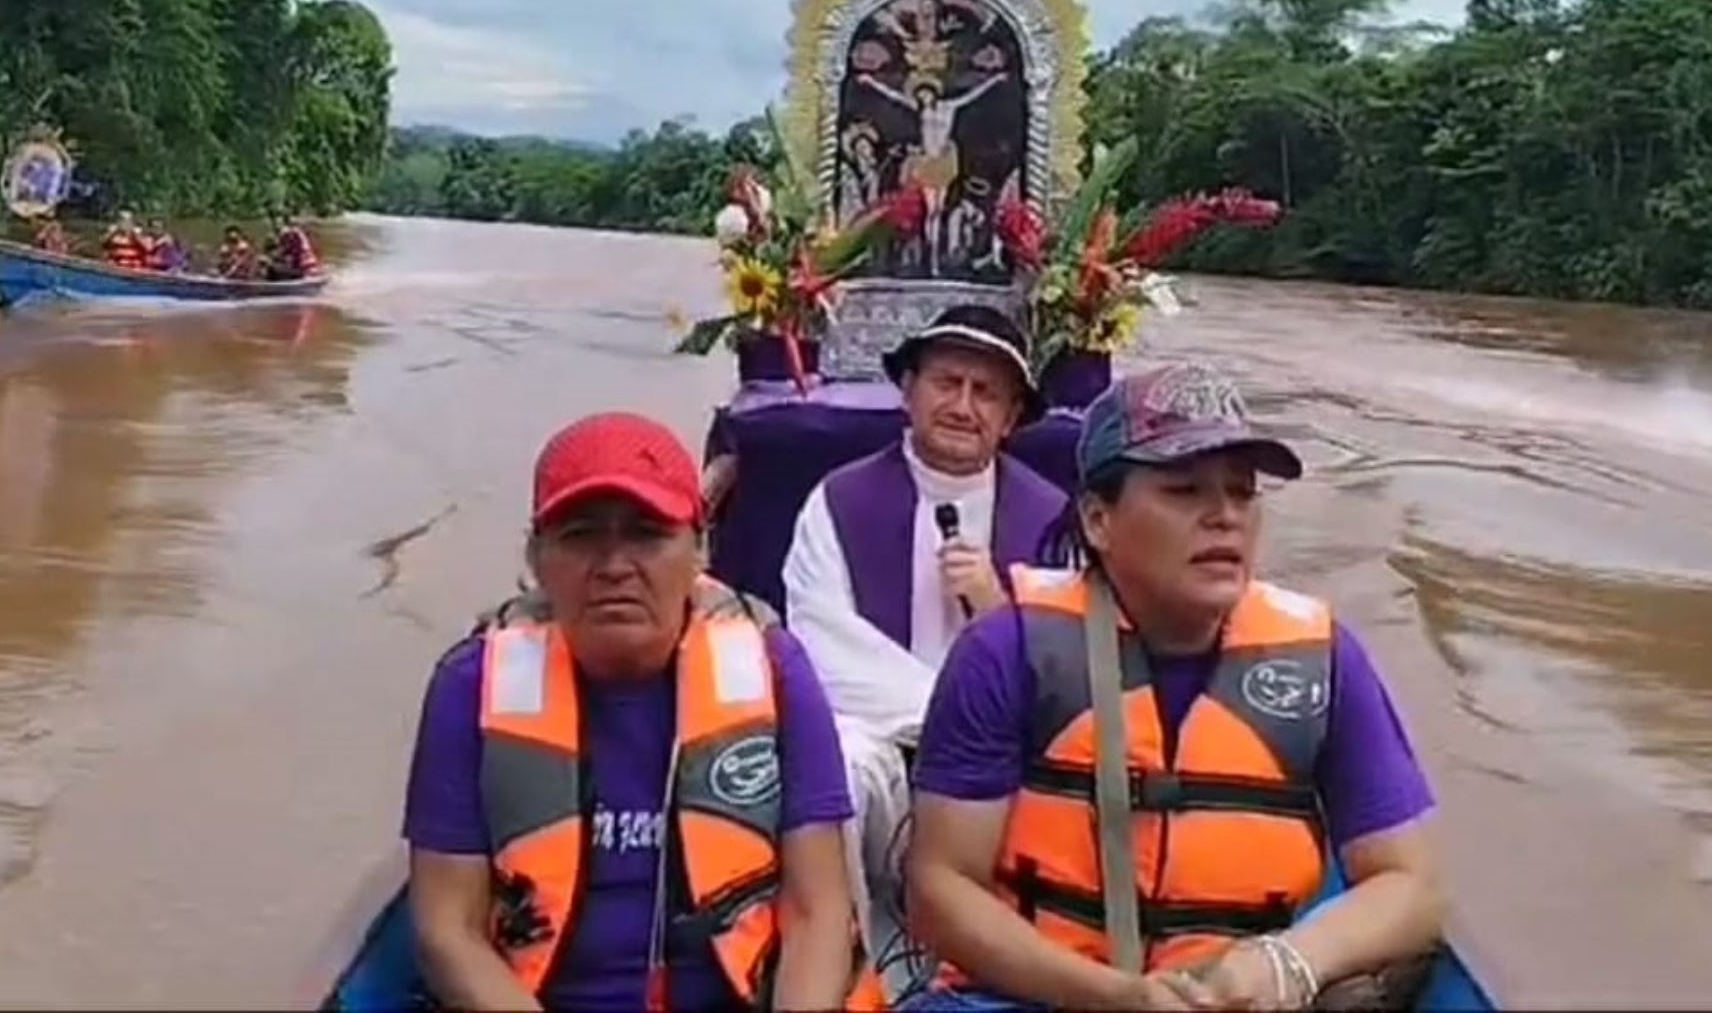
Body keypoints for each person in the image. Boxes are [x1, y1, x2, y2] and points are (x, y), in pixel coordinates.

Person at [905, 361, 1445, 1010]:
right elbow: (939, 889)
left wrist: (1286, 963)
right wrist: (1116, 996)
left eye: (1242, 493)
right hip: (1029, 997)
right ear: (1099, 520)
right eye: (1186, 491)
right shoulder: (1005, 650)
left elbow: (1410, 889)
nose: (1224, 517)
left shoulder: (1326, 661)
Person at [402, 411, 881, 1011]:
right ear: (536, 558)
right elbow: (449, 933)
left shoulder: (776, 669)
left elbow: (819, 913)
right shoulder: (467, 687)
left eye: (647, 534)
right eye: (580, 535)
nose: (614, 566)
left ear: (700, 548)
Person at [783, 305, 1065, 954]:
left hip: (1006, 758)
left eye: (986, 392)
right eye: (947, 383)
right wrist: (945, 714)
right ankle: (849, 952)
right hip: (881, 742)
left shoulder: (1054, 519)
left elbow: (1072, 664)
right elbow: (822, 645)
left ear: (1012, 417)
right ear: (908, 390)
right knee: (837, 772)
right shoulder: (838, 500)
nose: (964, 406)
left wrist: (1000, 613)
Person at [268, 213, 322, 280]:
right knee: (274, 266)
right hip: (305, 267)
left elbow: (290, 253)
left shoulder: (294, 236)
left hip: (304, 270)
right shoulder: (295, 235)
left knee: (273, 269)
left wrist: (277, 257)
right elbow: (286, 252)